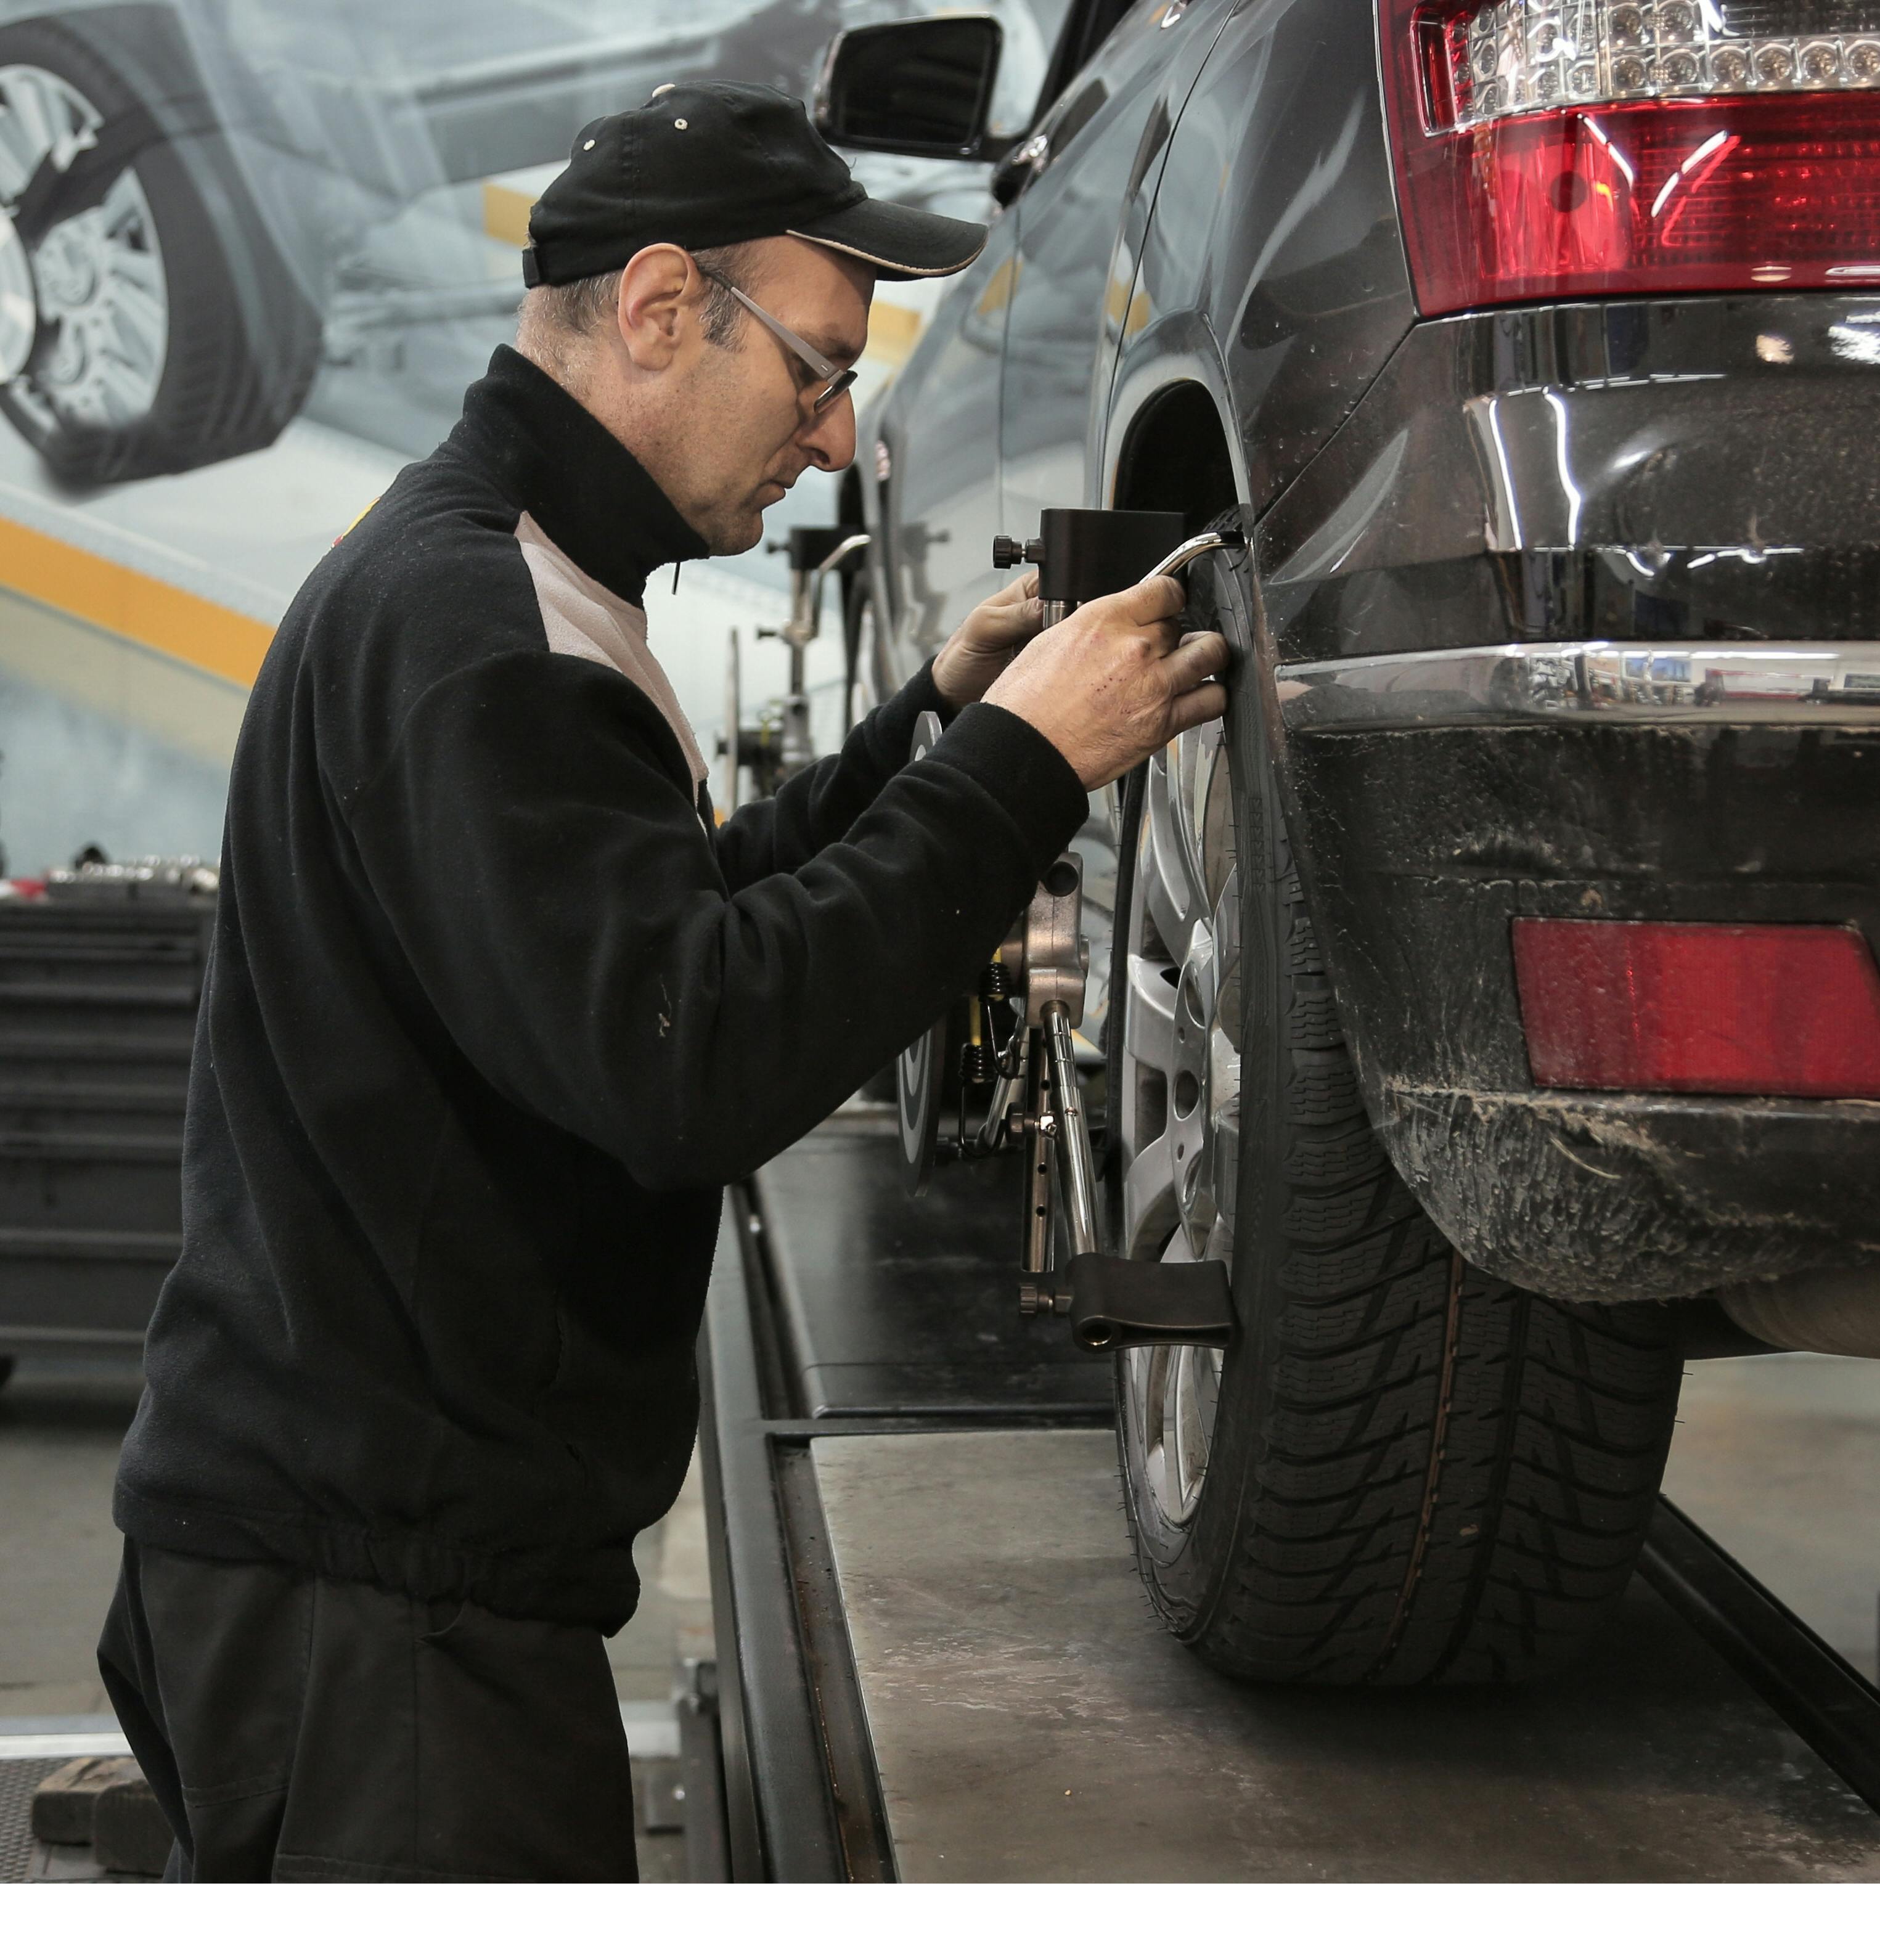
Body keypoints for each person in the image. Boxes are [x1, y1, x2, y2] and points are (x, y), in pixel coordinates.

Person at [97, 83, 1227, 1881]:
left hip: (371, 1562)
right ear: (657, 307)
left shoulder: (508, 575)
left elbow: (653, 918)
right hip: (380, 1614)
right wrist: (1021, 771)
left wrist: (933, 731)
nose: (841, 433)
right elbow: (685, 1048)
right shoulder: (476, 627)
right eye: (816, 368)